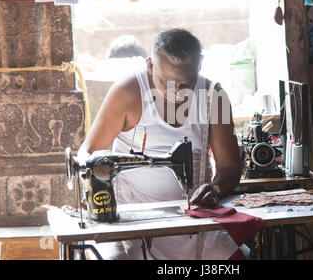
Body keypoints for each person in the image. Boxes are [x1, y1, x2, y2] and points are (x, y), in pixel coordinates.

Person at [78, 28, 245, 259]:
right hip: (130, 220)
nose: (176, 92)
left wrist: (215, 189)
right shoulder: (127, 93)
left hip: (193, 221)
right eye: (167, 82)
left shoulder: (214, 97)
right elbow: (89, 153)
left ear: (200, 65)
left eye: (186, 83)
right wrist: (94, 187)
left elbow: (229, 166)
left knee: (235, 258)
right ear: (150, 65)